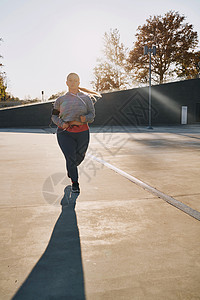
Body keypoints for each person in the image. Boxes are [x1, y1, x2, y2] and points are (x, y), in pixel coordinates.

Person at [51, 72, 101, 193]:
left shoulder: (86, 99)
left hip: (82, 132)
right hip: (64, 133)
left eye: (75, 80)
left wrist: (86, 118)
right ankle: (75, 182)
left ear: (79, 83)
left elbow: (92, 115)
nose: (73, 82)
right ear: (66, 82)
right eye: (70, 80)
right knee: (71, 158)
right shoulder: (60, 100)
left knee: (79, 157)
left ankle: (70, 169)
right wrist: (61, 123)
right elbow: (53, 116)